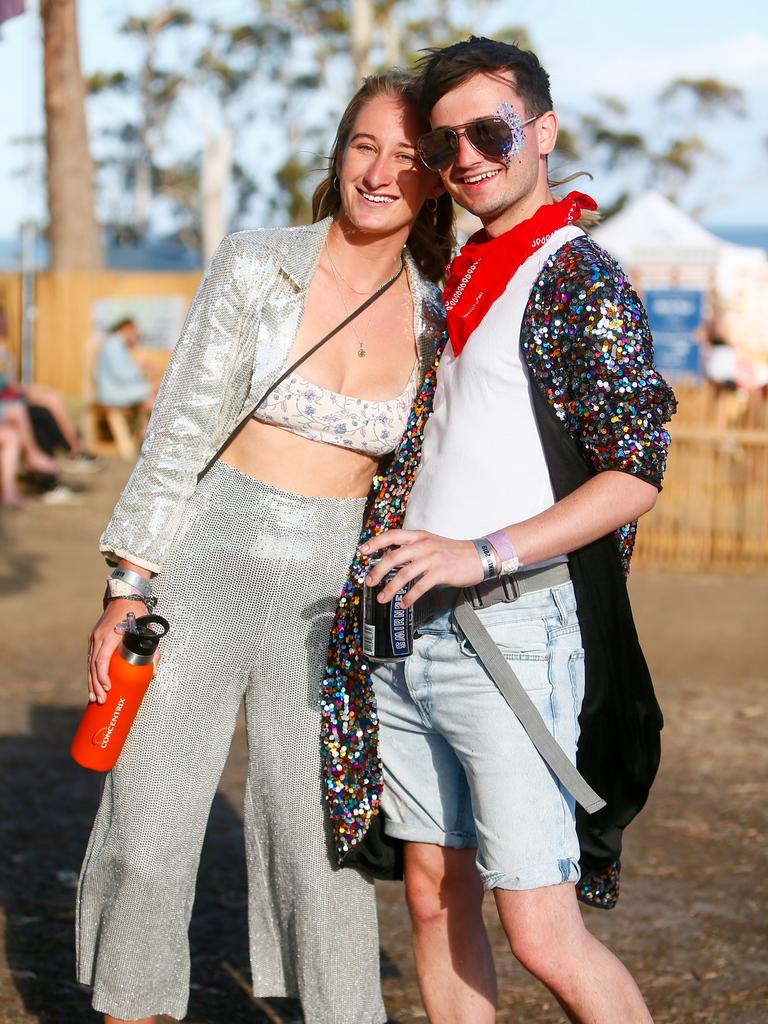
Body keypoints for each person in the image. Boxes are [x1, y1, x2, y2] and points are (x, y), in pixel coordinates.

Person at [78, 72, 450, 1024]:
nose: (380, 172)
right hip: (206, 558)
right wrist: (130, 583)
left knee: (320, 835)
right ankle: (133, 1004)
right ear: (337, 153)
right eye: (365, 145)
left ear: (438, 178)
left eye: (408, 157)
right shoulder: (254, 263)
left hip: (333, 589)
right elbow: (180, 428)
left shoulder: (440, 312)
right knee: (148, 825)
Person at [324, 38, 676, 1024]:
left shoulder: (577, 275)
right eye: (446, 143)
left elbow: (634, 475)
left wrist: (482, 551)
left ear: (544, 131)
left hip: (514, 627)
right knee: (435, 902)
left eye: (491, 130)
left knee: (542, 932)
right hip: (409, 629)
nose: (468, 156)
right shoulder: (463, 269)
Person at [93, 318, 155, 411]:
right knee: (153, 389)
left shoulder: (117, 345)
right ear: (127, 329)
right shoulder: (113, 344)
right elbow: (122, 376)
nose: (136, 337)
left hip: (116, 390)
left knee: (150, 394)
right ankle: (148, 424)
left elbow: (122, 371)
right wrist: (140, 370)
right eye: (135, 333)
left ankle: (145, 424)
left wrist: (139, 368)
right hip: (112, 393)